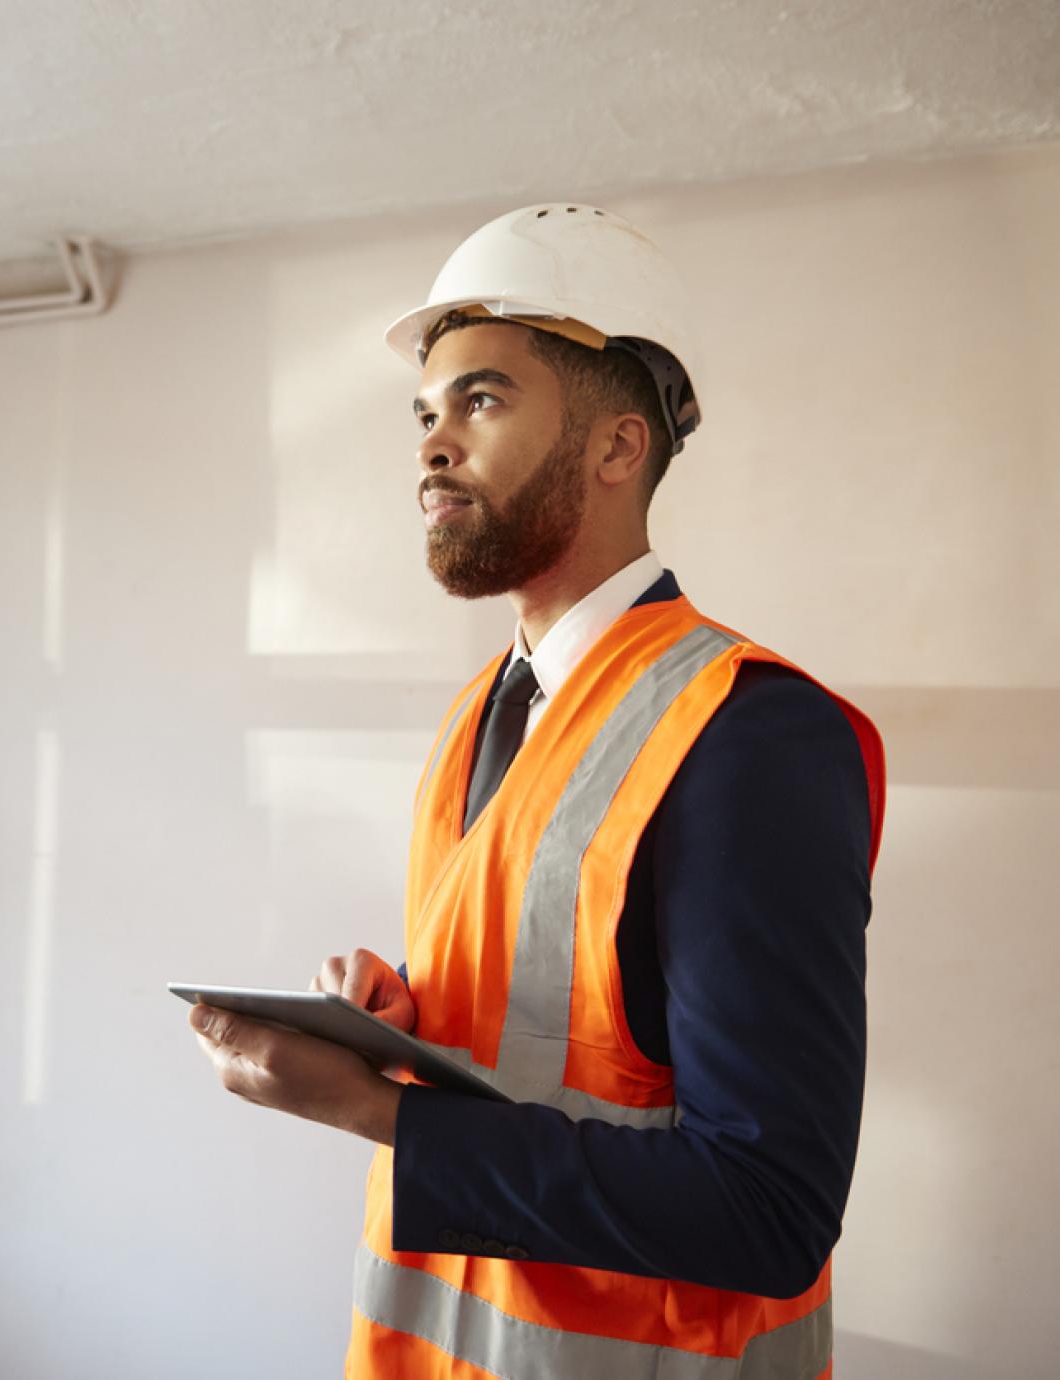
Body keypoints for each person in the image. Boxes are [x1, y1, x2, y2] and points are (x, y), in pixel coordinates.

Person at [187, 204, 886, 1378]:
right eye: (425, 411)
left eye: (482, 400)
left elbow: (766, 1208)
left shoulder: (748, 730)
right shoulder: (480, 715)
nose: (429, 443)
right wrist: (395, 1024)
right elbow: (556, 1034)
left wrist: (376, 1113)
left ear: (617, 449)